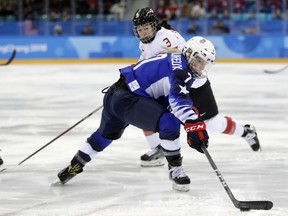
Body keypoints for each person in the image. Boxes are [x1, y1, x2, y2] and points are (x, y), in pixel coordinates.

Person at [57, 36, 216, 192]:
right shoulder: (181, 71)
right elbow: (177, 102)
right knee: (169, 122)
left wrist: (191, 120)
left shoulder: (176, 60)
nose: (201, 67)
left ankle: (74, 166)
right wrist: (193, 124)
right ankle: (176, 169)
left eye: (205, 64)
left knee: (104, 136)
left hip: (116, 93)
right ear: (189, 54)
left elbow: (171, 98)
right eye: (200, 61)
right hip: (128, 99)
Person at [132, 7, 260, 168]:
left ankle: (246, 131)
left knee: (212, 124)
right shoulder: (144, 43)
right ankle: (158, 148)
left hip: (194, 87)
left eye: (146, 28)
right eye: (140, 29)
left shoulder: (166, 38)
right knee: (146, 111)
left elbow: (177, 62)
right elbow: (145, 61)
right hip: (171, 86)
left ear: (154, 25)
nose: (143, 33)